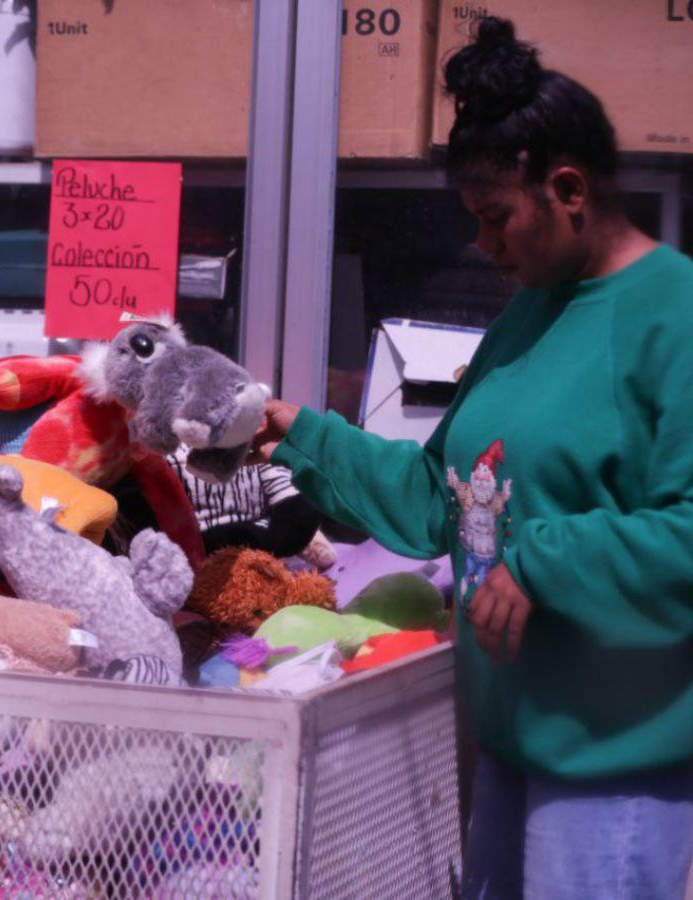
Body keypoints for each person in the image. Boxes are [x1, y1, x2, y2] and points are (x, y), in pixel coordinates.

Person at [251, 16, 693, 900]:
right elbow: (439, 499)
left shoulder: (671, 314)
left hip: (610, 766)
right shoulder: (528, 312)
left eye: (497, 218)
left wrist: (542, 564)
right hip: (509, 741)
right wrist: (291, 428)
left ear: (568, 189)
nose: (484, 247)